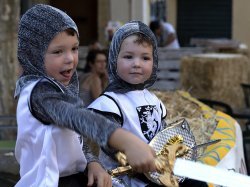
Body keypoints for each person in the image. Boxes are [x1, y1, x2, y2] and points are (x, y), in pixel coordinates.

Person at [14, 4, 157, 187]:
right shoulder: (38, 93)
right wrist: (127, 142)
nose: (70, 58)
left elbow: (75, 139)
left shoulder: (59, 88)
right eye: (58, 51)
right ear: (33, 55)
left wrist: (92, 162)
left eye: (74, 49)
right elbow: (78, 118)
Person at [88, 21, 208, 187]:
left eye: (145, 58)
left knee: (198, 184)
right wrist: (140, 161)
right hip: (126, 179)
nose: (136, 64)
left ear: (154, 62)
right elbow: (110, 146)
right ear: (115, 59)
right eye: (128, 57)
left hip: (158, 173)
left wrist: (173, 152)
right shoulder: (109, 104)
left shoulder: (153, 100)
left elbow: (162, 137)